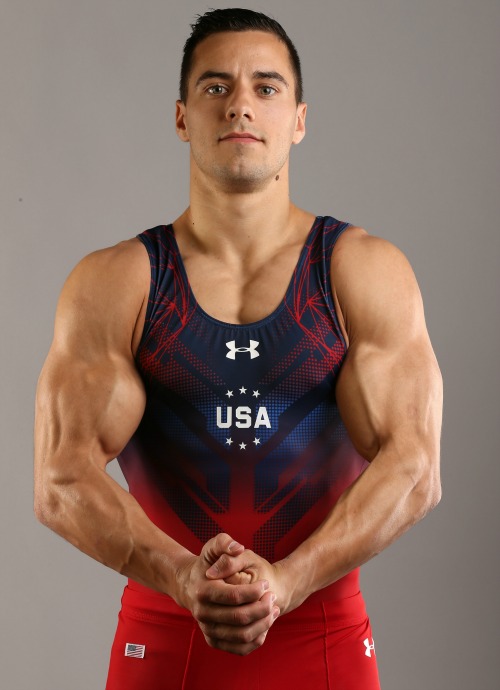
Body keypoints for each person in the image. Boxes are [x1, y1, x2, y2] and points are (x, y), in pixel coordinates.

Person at [34, 8, 442, 690]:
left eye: (266, 87)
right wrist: (182, 576)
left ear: (300, 119)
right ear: (181, 117)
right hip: (169, 639)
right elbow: (60, 479)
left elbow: (415, 468)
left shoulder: (362, 272)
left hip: (322, 639)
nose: (241, 105)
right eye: (216, 87)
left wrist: (288, 582)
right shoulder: (118, 283)